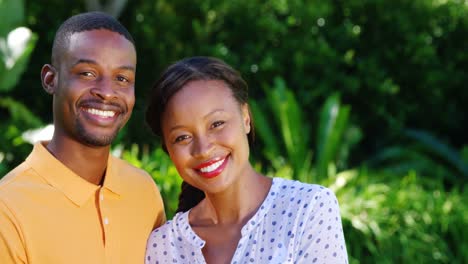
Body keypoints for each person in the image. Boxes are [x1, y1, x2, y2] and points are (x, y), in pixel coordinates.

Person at [144, 56, 348, 263]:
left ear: (246, 117)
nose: (203, 150)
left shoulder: (307, 209)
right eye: (182, 137)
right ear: (168, 150)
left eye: (217, 124)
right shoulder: (162, 246)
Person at [0, 12, 165, 263]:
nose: (107, 93)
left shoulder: (144, 191)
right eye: (87, 73)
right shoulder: (8, 208)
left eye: (122, 78)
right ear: (50, 79)